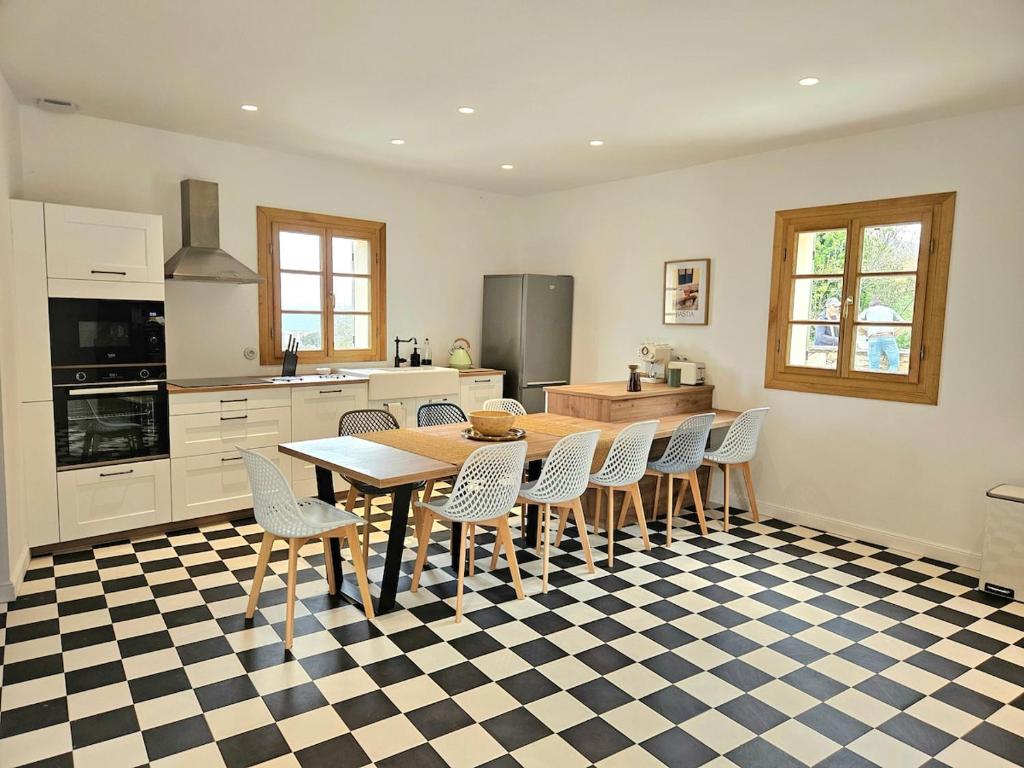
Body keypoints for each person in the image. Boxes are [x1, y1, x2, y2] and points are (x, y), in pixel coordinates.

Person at [858, 297, 903, 372]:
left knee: (873, 366)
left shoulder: (868, 310)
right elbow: (902, 323)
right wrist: (894, 334)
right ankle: (891, 380)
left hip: (873, 338)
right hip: (888, 336)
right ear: (881, 304)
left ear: (871, 305)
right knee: (894, 365)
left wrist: (867, 332)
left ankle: (874, 382)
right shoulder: (889, 310)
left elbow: (858, 322)